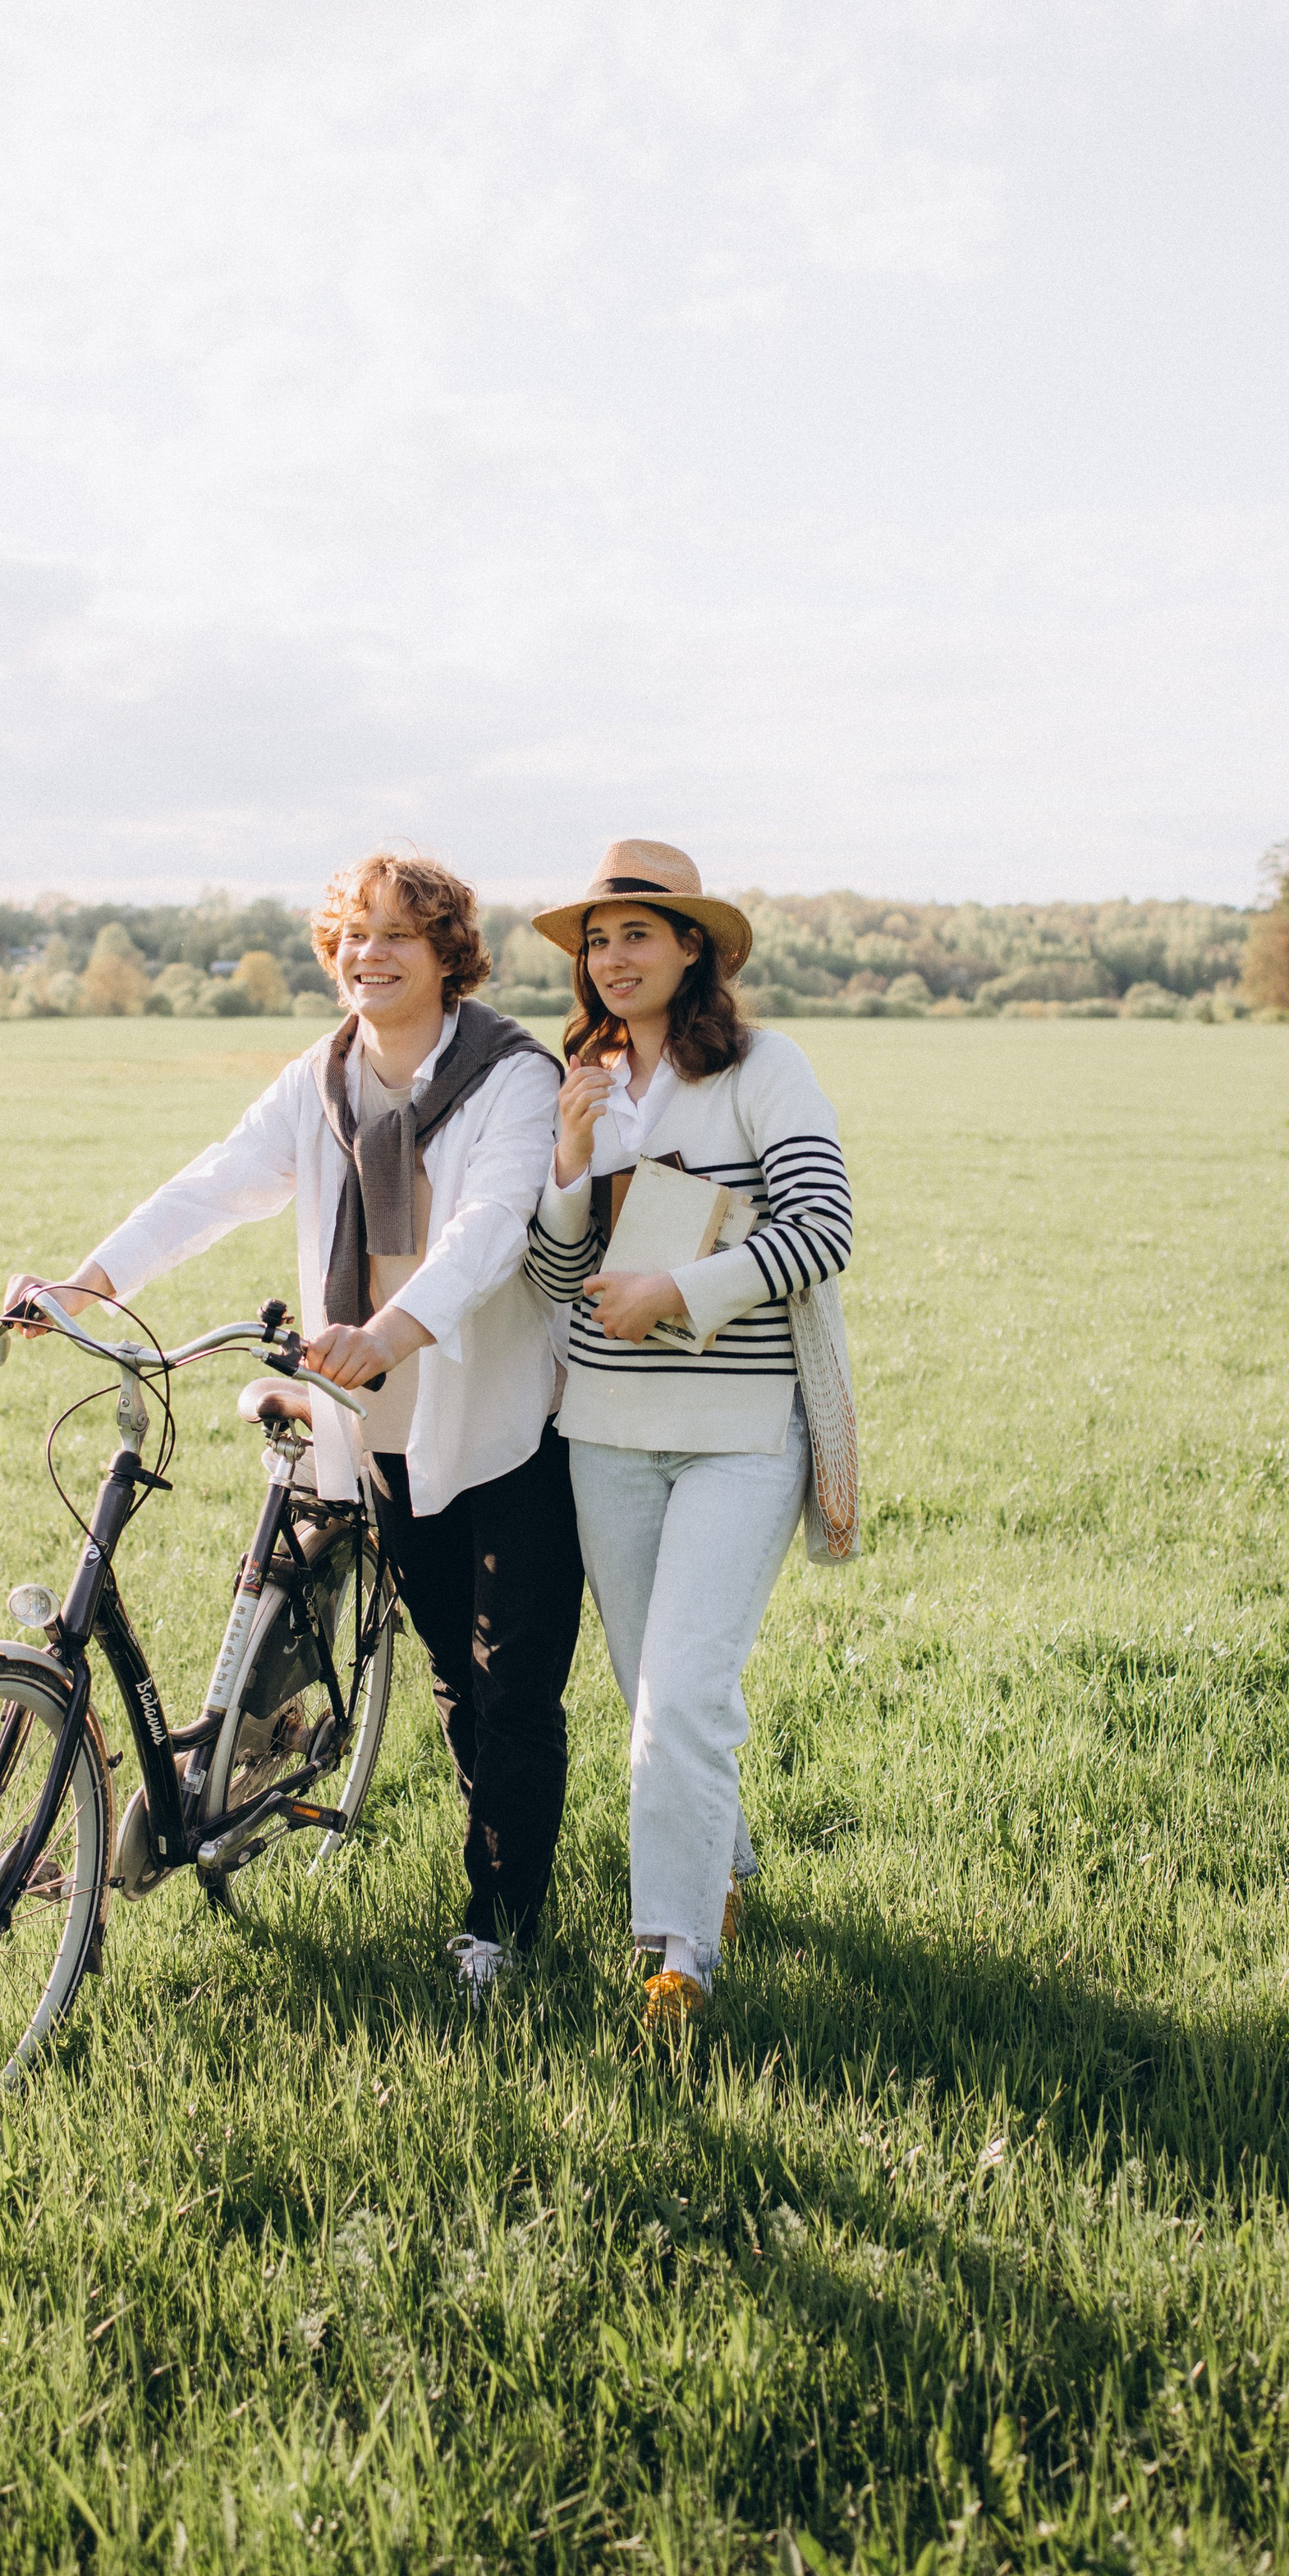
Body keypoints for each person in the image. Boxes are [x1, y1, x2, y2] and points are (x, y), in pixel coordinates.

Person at [3, 851, 583, 2010]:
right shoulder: (321, 1079)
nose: (368, 956)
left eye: (397, 937)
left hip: (504, 1413)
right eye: (352, 936)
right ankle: (476, 1864)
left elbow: (491, 1223)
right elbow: (219, 1183)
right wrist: (88, 1285)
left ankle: (500, 1926)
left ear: (447, 955)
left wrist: (393, 1328)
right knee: (451, 1680)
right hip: (374, 1422)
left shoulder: (512, 1074)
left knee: (512, 1686)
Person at [525, 840, 854, 2025]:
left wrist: (680, 1291)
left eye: (637, 935)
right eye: (597, 942)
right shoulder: (588, 1080)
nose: (613, 959)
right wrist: (569, 1161)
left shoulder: (766, 1068)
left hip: (738, 1427)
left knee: (679, 1695)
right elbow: (559, 1272)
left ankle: (677, 1956)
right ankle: (730, 1869)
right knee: (649, 1686)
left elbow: (822, 1229)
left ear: (693, 948)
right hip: (605, 1429)